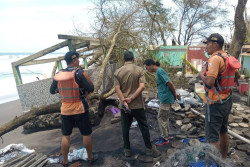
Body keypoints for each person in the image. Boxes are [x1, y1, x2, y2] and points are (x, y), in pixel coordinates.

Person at [50, 51, 98, 166]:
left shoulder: (59, 74)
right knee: (86, 133)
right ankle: (90, 157)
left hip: (65, 109)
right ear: (74, 60)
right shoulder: (79, 73)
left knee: (66, 135)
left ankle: (65, 161)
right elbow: (91, 88)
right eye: (78, 59)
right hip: (79, 108)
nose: (79, 61)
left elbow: (52, 91)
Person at [199, 33, 240, 158]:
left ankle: (216, 163)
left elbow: (210, 82)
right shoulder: (228, 57)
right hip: (227, 100)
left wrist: (201, 74)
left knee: (212, 138)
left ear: (215, 44)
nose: (206, 47)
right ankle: (223, 158)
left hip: (215, 103)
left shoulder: (214, 59)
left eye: (208, 44)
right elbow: (237, 76)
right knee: (223, 131)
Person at [114, 51, 160, 157]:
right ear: (133, 59)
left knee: (125, 128)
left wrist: (124, 101)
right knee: (143, 126)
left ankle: (127, 150)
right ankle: (149, 149)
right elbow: (142, 86)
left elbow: (117, 88)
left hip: (125, 106)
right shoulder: (139, 70)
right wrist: (132, 98)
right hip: (138, 104)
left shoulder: (117, 72)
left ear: (124, 60)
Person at [144, 59, 180, 146]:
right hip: (165, 98)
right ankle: (166, 135)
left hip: (166, 99)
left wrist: (175, 94)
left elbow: (169, 83)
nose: (146, 69)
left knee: (160, 118)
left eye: (146, 67)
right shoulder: (158, 72)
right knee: (165, 117)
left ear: (151, 65)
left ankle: (165, 138)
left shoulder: (159, 71)